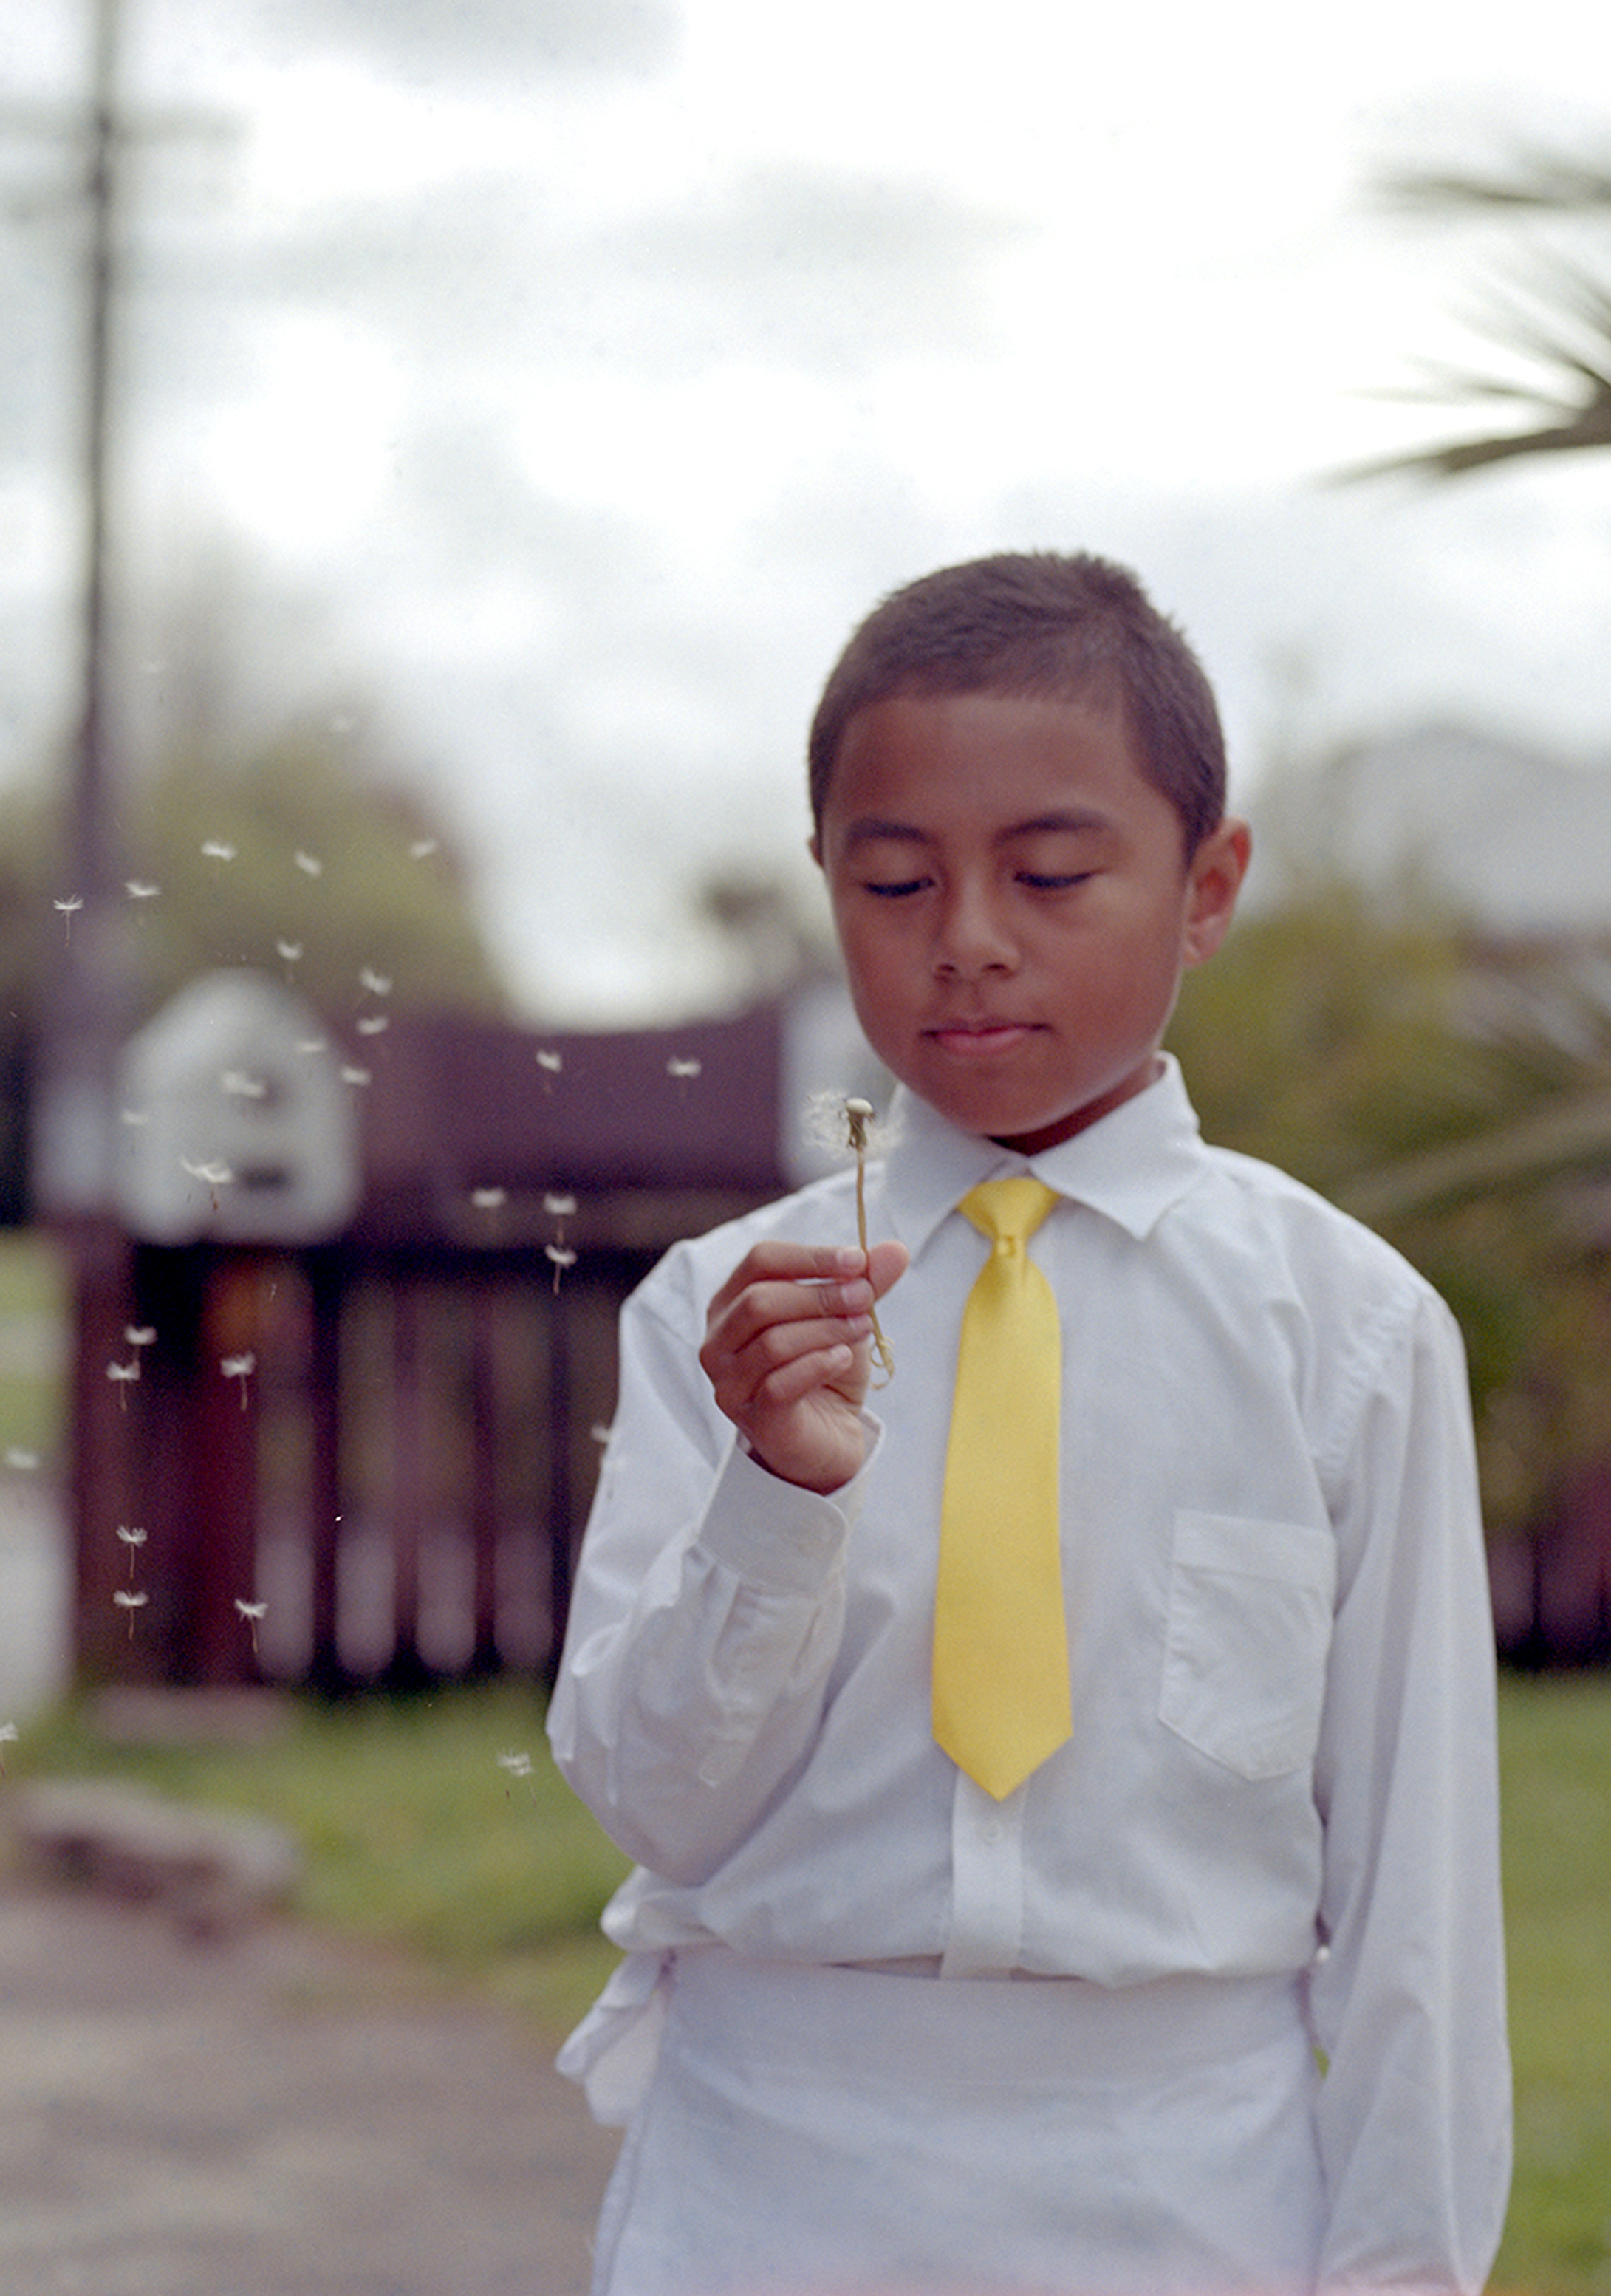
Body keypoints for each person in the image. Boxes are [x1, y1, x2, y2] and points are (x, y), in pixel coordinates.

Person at [547, 550, 1511, 2295]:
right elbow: (651, 1806)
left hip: (1184, 2191)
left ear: (1206, 887)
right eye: (894, 878)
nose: (968, 938)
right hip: (767, 2179)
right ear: (827, 884)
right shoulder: (724, 1311)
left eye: (1052, 872)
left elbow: (1413, 1908)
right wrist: (771, 1487)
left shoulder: (1348, 1334)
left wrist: (1401, 2271)